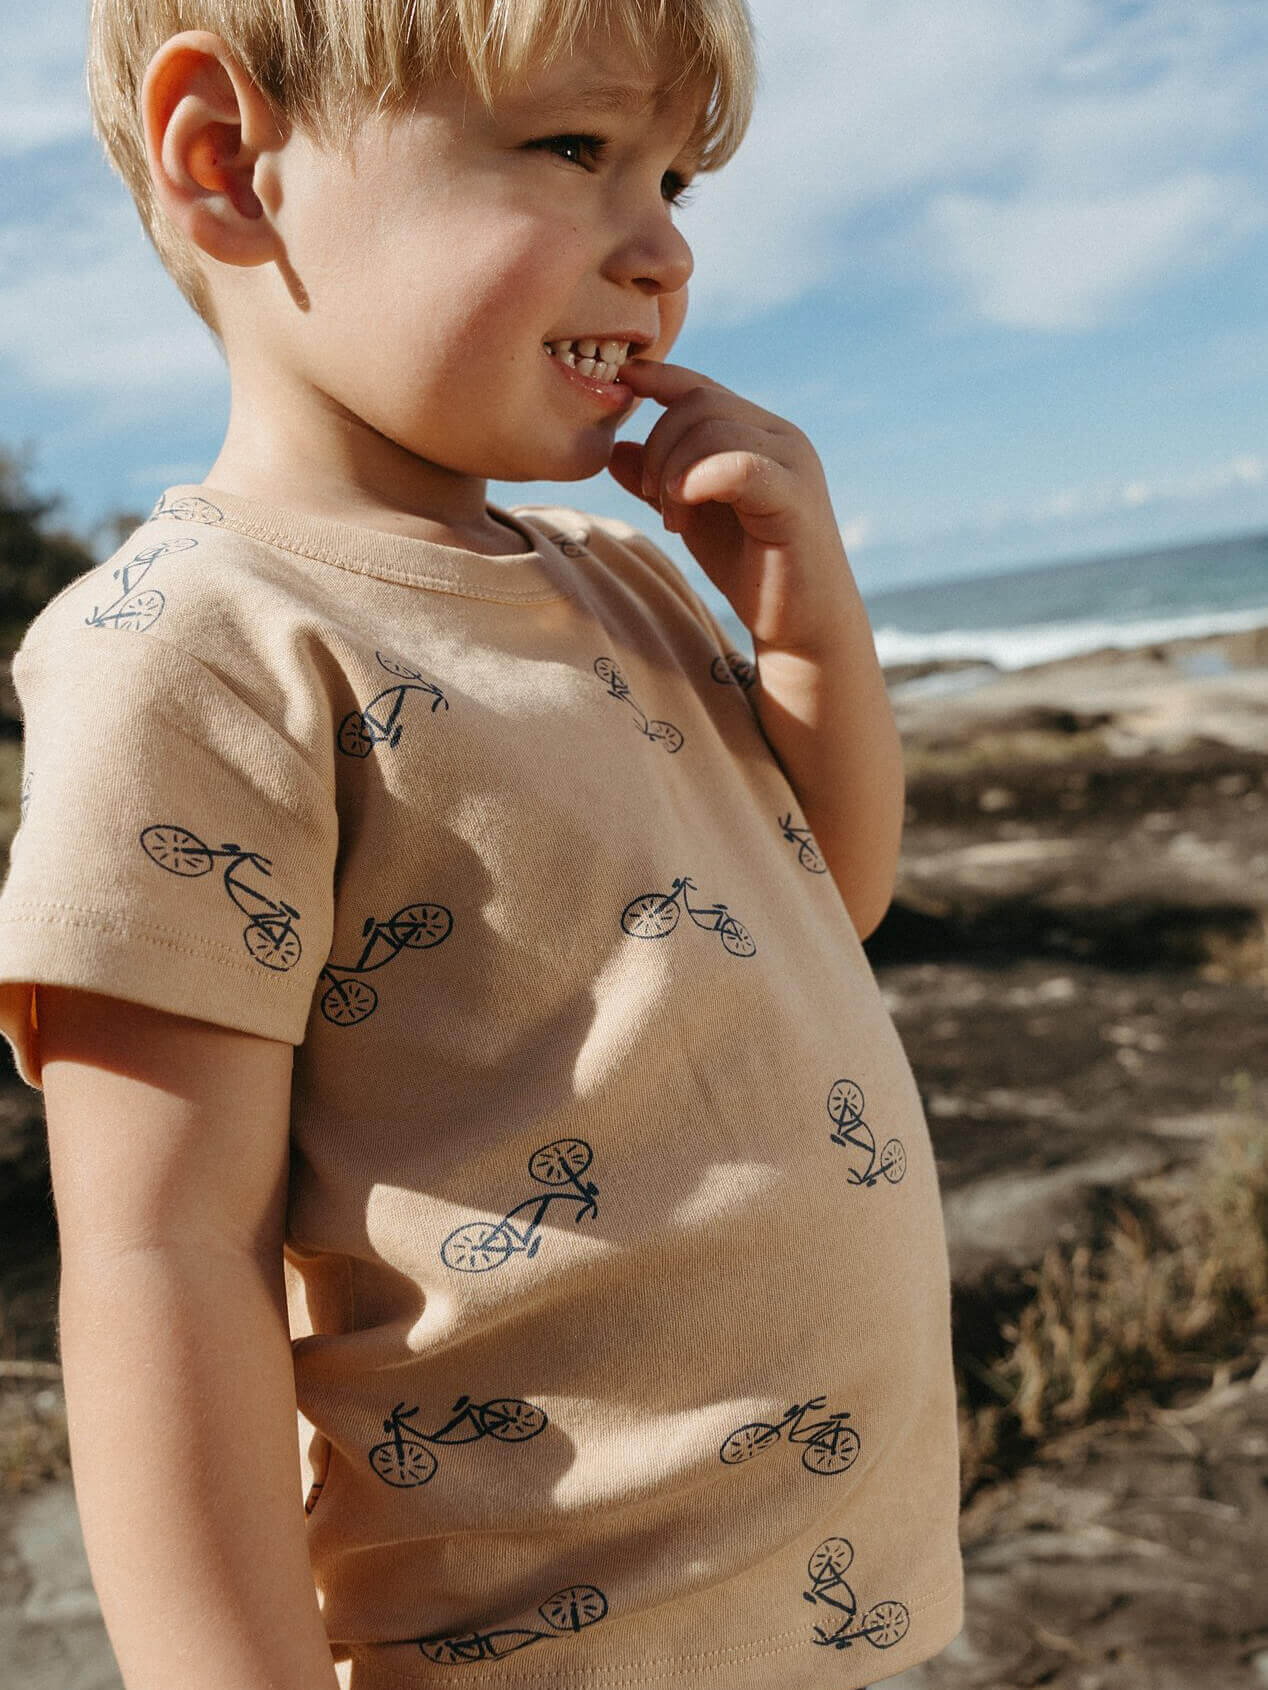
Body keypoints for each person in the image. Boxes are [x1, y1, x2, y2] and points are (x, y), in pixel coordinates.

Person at [0, 1, 963, 1686]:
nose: (661, 246)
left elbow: (834, 897)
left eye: (675, 180)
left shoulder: (635, 582)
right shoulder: (200, 646)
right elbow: (162, 1259)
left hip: (829, 1603)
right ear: (229, 160)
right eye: (576, 150)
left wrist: (811, 629)